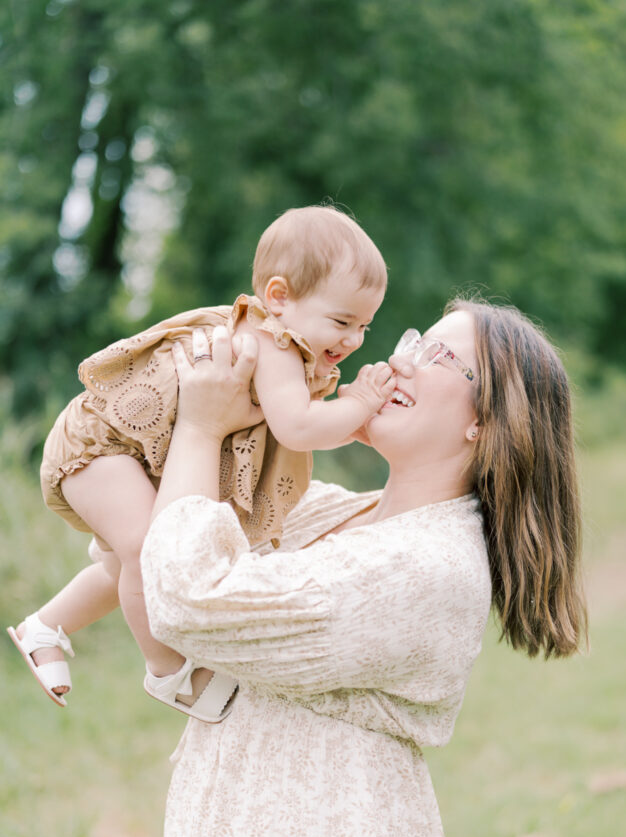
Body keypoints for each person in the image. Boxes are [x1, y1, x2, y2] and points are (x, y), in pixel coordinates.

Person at [140, 297, 587, 837]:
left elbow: (190, 595)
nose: (403, 358)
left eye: (443, 357)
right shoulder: (341, 514)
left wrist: (199, 424)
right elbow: (186, 508)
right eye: (416, 340)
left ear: (486, 423)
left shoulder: (425, 567)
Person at [7, 206, 392, 720]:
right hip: (104, 445)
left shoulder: (296, 348)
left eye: (365, 326)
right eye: (342, 322)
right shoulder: (272, 341)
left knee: (125, 560)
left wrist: (355, 425)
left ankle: (44, 627)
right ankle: (170, 671)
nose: (353, 341)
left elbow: (300, 426)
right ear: (280, 298)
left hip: (135, 451)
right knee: (149, 551)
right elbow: (297, 427)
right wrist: (361, 405)